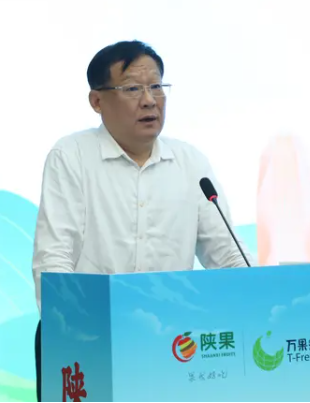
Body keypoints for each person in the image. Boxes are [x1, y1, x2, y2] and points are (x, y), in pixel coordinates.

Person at [31, 40, 251, 401]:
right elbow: (54, 258)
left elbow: (228, 256)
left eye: (156, 87)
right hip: (88, 335)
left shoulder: (190, 162)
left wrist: (259, 301)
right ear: (97, 101)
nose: (150, 100)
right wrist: (72, 329)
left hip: (172, 339)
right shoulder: (72, 156)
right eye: (133, 88)